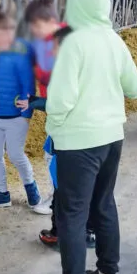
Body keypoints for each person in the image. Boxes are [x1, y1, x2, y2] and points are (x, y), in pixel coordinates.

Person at [45, 0, 137, 274]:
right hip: (112, 137)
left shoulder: (73, 42)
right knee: (103, 204)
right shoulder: (113, 39)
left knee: (73, 216)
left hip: (78, 143)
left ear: (74, 3)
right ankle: (107, 272)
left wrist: (55, 128)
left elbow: (61, 99)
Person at [32, 26, 96, 250]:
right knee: (85, 189)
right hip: (91, 140)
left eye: (56, 46)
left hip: (65, 139)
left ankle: (60, 235)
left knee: (63, 191)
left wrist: (36, 102)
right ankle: (88, 232)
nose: (53, 50)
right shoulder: (88, 67)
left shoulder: (66, 71)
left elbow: (61, 104)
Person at [0, 10, 41, 210]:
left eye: (10, 31)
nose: (6, 36)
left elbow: (27, 83)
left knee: (15, 154)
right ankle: (2, 193)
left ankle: (31, 187)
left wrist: (26, 112)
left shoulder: (20, 54)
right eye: (1, 32)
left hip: (14, 117)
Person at [25, 0, 66, 216]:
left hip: (66, 115)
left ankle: (59, 199)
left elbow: (64, 94)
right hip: (57, 111)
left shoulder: (62, 46)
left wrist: (35, 102)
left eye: (37, 26)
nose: (34, 31)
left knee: (55, 155)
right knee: (51, 152)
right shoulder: (48, 42)